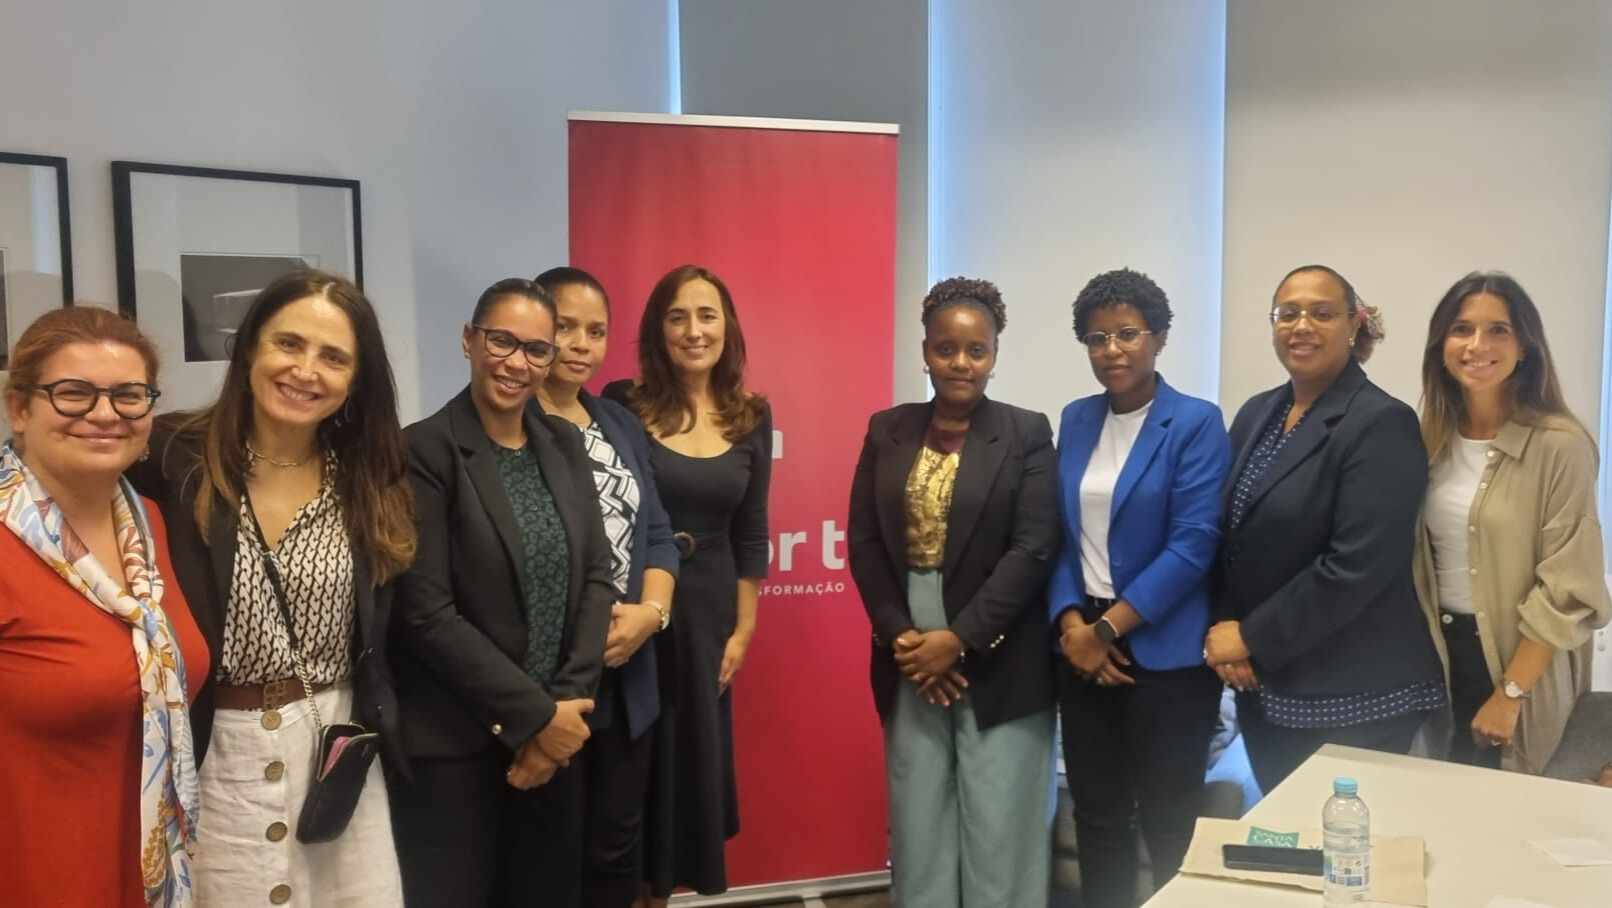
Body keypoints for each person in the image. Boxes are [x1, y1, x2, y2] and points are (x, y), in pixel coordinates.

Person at [130, 269, 415, 906]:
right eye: (289, 344)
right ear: (251, 347)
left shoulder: (373, 478)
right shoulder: (171, 456)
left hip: (333, 749)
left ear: (356, 378)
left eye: (333, 357)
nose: (306, 371)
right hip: (212, 750)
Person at [388, 278, 617, 907]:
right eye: (502, 341)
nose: (518, 363)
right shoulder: (422, 450)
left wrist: (566, 707)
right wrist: (534, 719)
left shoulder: (564, 443)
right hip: (456, 749)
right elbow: (427, 614)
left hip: (557, 737)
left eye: (536, 350)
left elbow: (596, 575)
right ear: (469, 340)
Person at [847, 276, 1058, 908]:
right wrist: (906, 639)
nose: (960, 364)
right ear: (925, 350)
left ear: (995, 353)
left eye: (976, 350)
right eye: (946, 349)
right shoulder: (887, 429)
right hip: (908, 645)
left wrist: (959, 641)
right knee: (919, 821)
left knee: (1000, 828)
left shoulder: (1026, 432)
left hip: (998, 647)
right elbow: (863, 541)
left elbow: (1035, 546)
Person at [1206, 264, 1444, 795]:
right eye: (1286, 313)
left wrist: (1249, 636)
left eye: (1321, 312)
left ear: (1355, 324)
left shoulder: (1382, 422)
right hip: (1268, 682)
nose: (1301, 325)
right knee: (1297, 860)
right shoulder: (1256, 413)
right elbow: (1230, 535)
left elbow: (1357, 565)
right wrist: (1230, 630)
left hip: (1355, 694)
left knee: (1347, 862)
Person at [1, 306, 208, 907]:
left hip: (147, 876)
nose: (104, 414)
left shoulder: (149, 526)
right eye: (73, 394)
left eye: (128, 395)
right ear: (20, 408)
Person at [1049, 269, 1230, 907]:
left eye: (1127, 333)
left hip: (1165, 657)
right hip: (1082, 651)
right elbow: (1060, 535)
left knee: (1169, 825)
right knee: (1097, 818)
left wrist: (1107, 630)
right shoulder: (1075, 419)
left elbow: (1194, 544)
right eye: (1096, 338)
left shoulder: (1195, 423)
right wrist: (1072, 623)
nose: (1112, 350)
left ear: (1158, 338)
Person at [602, 264, 771, 902]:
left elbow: (753, 532)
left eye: (707, 315)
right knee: (636, 767)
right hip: (640, 605)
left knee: (688, 771)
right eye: (678, 316)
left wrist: (744, 627)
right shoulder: (622, 403)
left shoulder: (752, 414)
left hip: (709, 615)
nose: (694, 330)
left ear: (727, 326)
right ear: (657, 329)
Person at [1414, 272, 1610, 772]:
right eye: (1461, 329)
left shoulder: (1560, 446)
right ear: (1442, 345)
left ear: (1524, 346)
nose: (1477, 344)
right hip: (1440, 658)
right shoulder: (1427, 441)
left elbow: (1567, 586)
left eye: (1498, 330)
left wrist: (1511, 693)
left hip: (1520, 665)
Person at [534, 267, 680, 907]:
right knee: (550, 849)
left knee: (617, 847)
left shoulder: (618, 422)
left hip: (629, 667)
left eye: (596, 332)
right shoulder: (507, 423)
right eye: (565, 327)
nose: (580, 344)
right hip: (549, 678)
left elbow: (657, 529)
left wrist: (653, 611)